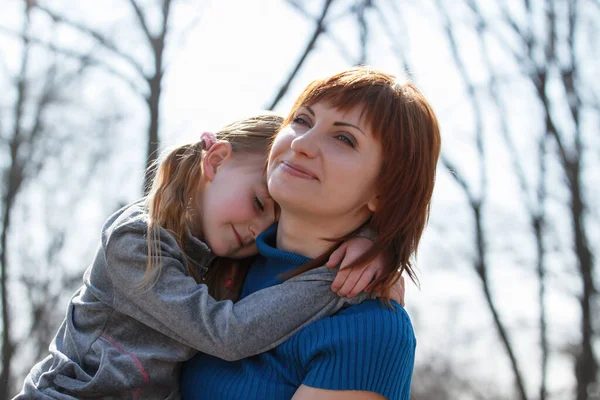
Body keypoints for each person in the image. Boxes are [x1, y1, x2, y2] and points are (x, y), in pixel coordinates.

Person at [15, 113, 391, 400]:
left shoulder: (221, 255)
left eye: (271, 225)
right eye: (259, 202)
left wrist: (371, 245)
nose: (257, 232)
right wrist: (338, 280)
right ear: (215, 162)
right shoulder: (134, 240)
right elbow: (225, 332)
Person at [180, 67, 441, 400]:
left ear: (384, 192)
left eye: (344, 138)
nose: (302, 144)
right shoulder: (219, 256)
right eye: (302, 120)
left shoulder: (369, 327)